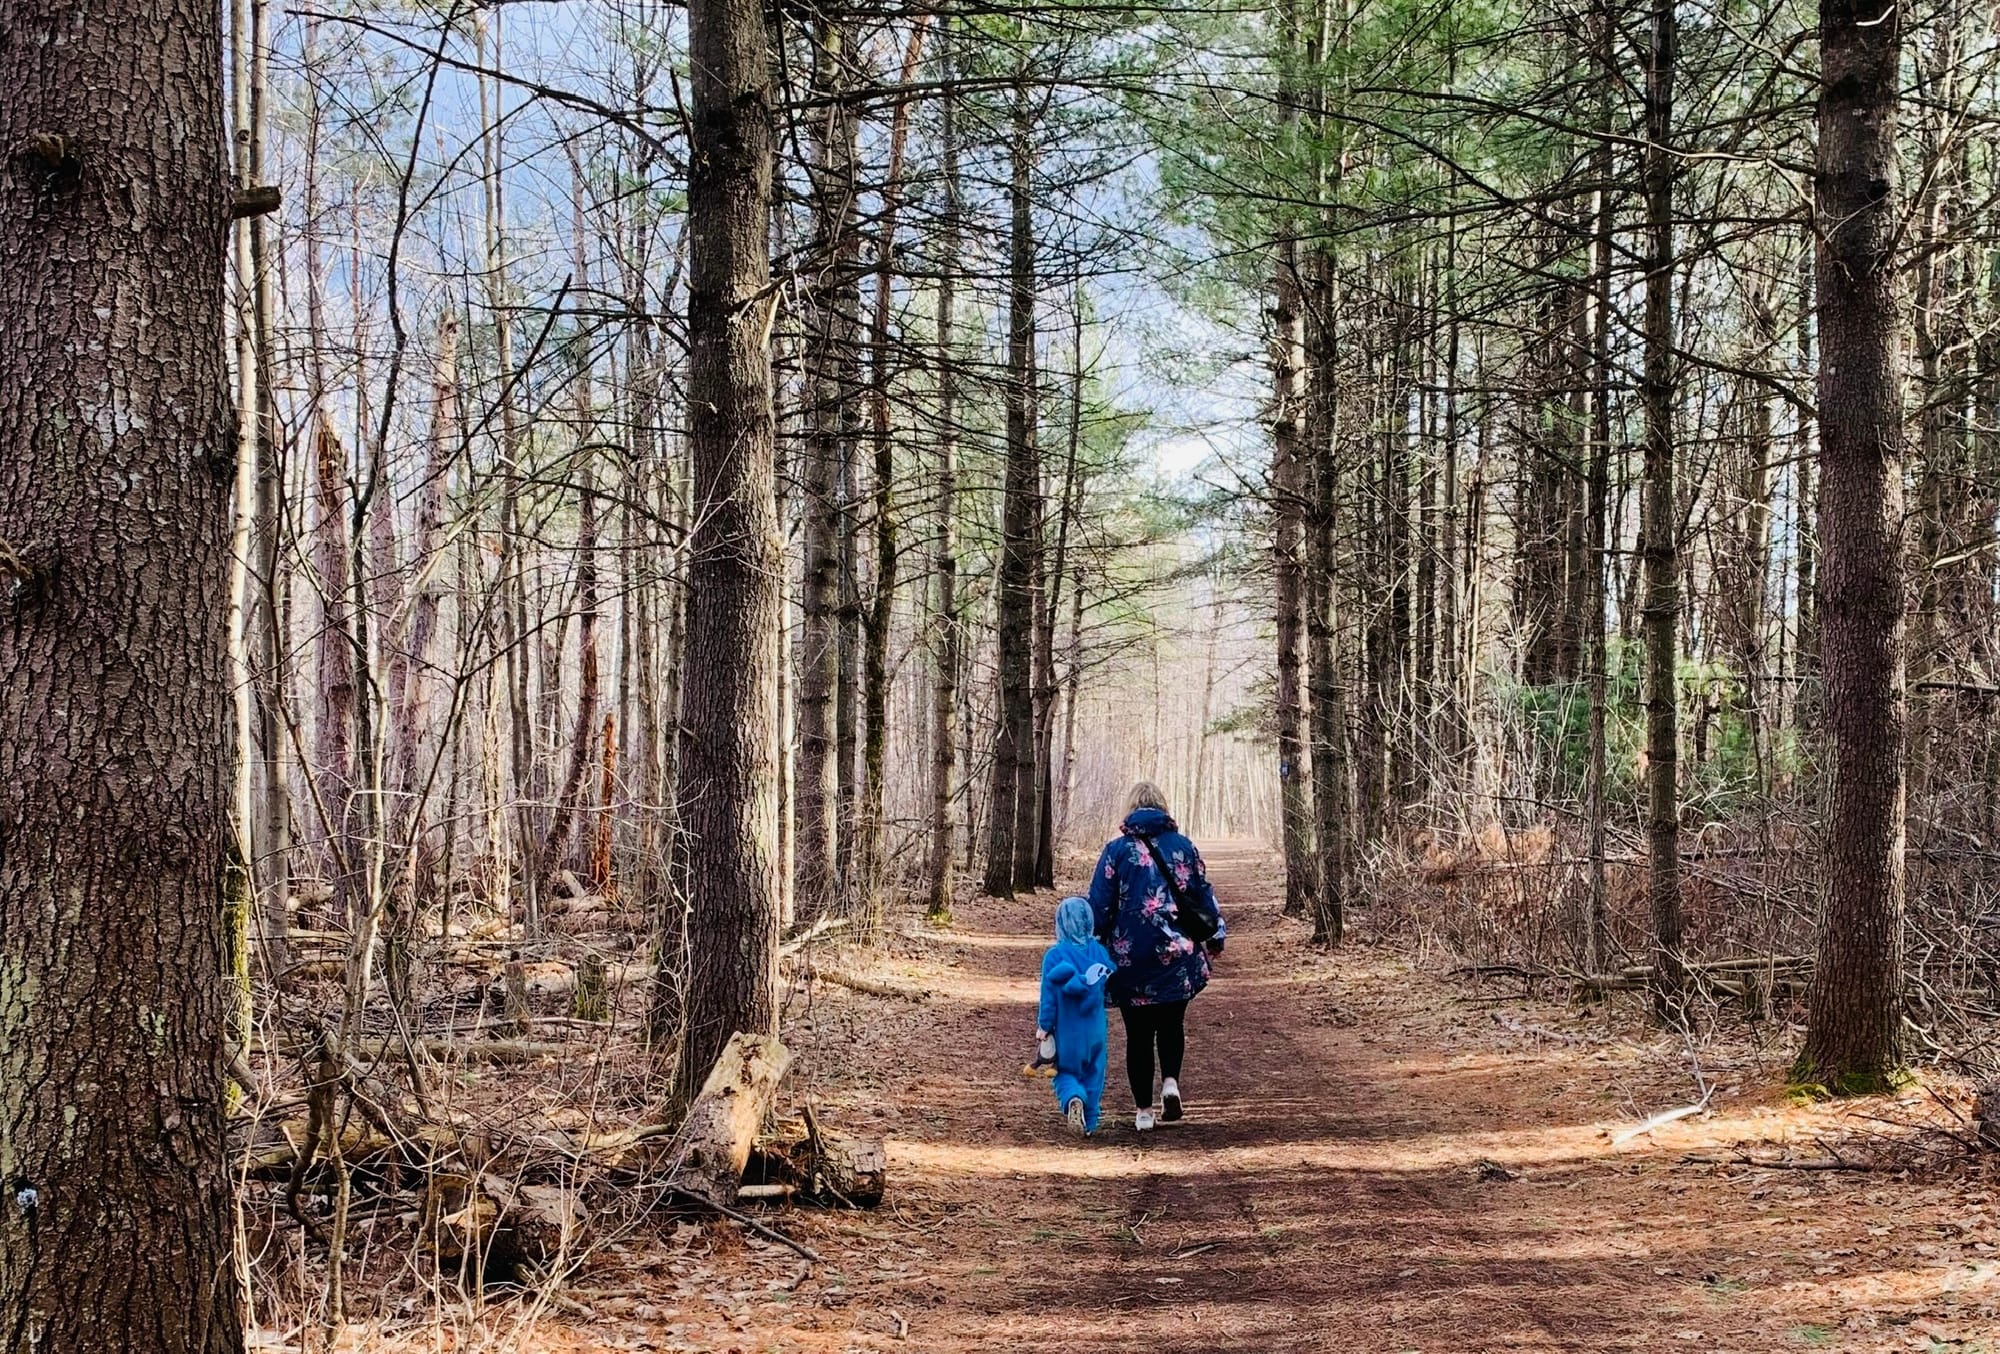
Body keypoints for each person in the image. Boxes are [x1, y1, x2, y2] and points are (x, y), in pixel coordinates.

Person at [1087, 782, 1225, 1132]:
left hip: (1130, 957)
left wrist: (1091, 942)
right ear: (1163, 809)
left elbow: (1099, 905)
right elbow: (1202, 895)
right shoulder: (1184, 848)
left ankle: (1143, 1112)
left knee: (1138, 1034)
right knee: (1171, 1023)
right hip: (1177, 954)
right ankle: (1171, 1084)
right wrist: (1216, 935)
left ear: (1130, 809)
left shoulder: (1116, 852)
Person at [1035, 896, 1113, 1135]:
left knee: (1065, 1072)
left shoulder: (1055, 957)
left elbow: (1048, 998)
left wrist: (1044, 1026)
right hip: (1095, 1028)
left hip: (1068, 1030)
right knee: (1094, 1071)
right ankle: (1090, 1122)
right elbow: (1108, 985)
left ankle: (1073, 1100)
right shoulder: (1099, 952)